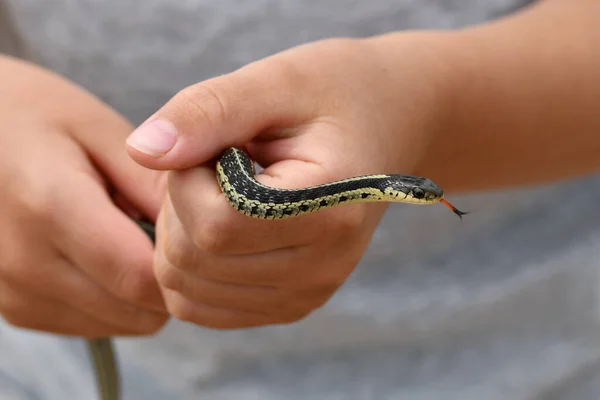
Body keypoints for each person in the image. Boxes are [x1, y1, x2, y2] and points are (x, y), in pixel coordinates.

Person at [1, 0, 600, 398]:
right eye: (421, 194)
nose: (427, 196)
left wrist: (426, 111)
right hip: (52, 362)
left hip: (542, 360)